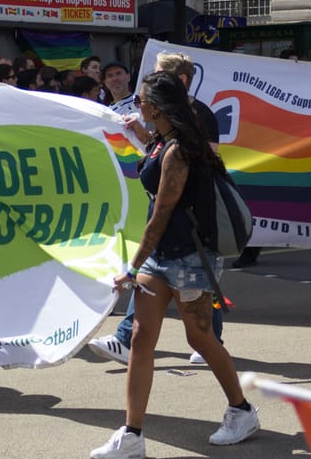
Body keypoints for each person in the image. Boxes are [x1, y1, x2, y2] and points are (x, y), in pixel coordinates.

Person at [89, 71, 259, 459]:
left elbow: (161, 214)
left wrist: (130, 269)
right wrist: (140, 136)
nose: (138, 105)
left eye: (142, 101)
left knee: (200, 339)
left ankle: (242, 411)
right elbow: (156, 163)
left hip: (187, 259)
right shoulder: (163, 141)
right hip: (162, 258)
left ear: (157, 107)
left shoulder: (180, 150)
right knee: (140, 339)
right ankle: (132, 434)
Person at [90, 51, 224, 365]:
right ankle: (126, 340)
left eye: (158, 74)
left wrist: (133, 265)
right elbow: (159, 152)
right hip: (169, 232)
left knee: (201, 290)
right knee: (157, 287)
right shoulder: (166, 121)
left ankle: (215, 350)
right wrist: (143, 136)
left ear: (179, 80)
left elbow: (204, 161)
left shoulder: (198, 116)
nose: (147, 85)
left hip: (189, 226)